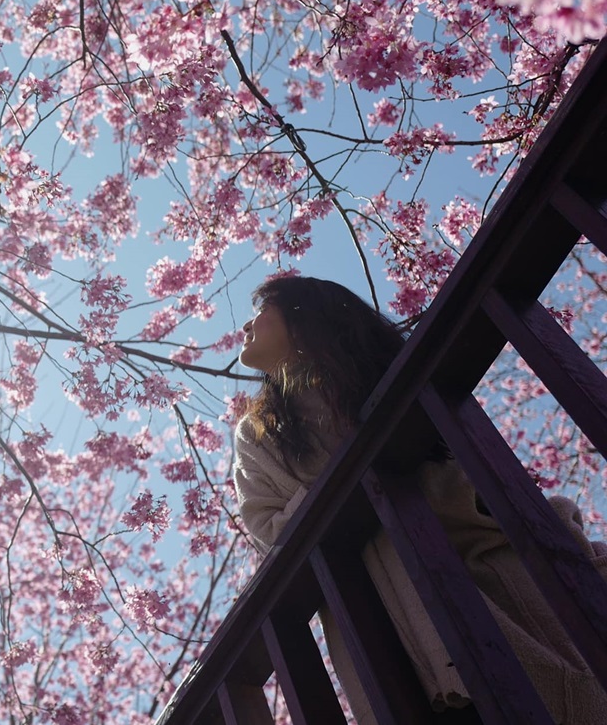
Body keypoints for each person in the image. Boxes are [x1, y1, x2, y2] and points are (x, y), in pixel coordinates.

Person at [232, 275, 607, 724]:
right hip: (384, 640)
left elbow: (462, 486)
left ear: (302, 314)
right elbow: (268, 531)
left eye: (261, 309)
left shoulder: (390, 379)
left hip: (487, 584)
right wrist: (340, 495)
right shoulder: (257, 434)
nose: (246, 325)